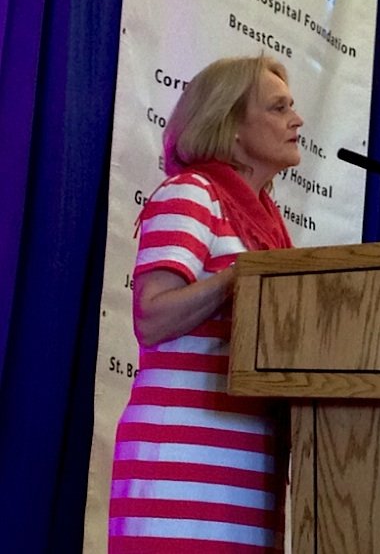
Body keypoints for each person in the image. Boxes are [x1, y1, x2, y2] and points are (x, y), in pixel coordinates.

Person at [108, 55, 303, 553]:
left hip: (250, 462)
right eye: (279, 108)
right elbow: (152, 319)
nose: (296, 120)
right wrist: (238, 277)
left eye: (293, 107)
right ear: (231, 125)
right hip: (182, 461)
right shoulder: (193, 194)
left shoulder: (269, 223)